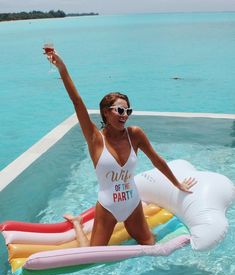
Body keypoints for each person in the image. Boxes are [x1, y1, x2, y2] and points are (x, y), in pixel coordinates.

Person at [44, 49, 197, 247]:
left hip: (133, 204)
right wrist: (62, 68)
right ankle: (78, 224)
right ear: (106, 113)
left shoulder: (135, 134)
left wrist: (177, 184)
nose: (125, 115)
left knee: (151, 244)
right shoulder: (95, 139)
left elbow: (157, 160)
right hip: (108, 207)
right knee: (91, 256)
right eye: (120, 110)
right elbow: (77, 101)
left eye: (128, 111)